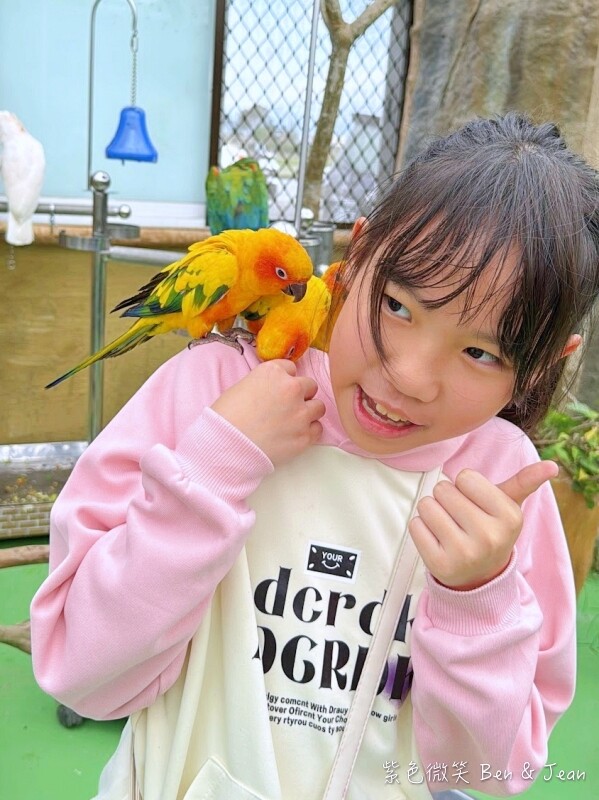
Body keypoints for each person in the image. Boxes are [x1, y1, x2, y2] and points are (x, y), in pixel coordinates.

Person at [30, 113, 599, 800]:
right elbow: (81, 672)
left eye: (480, 352)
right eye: (396, 306)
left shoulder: (498, 492)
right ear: (354, 258)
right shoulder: (211, 391)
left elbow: (482, 774)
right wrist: (209, 472)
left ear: (544, 364)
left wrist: (476, 598)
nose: (411, 377)